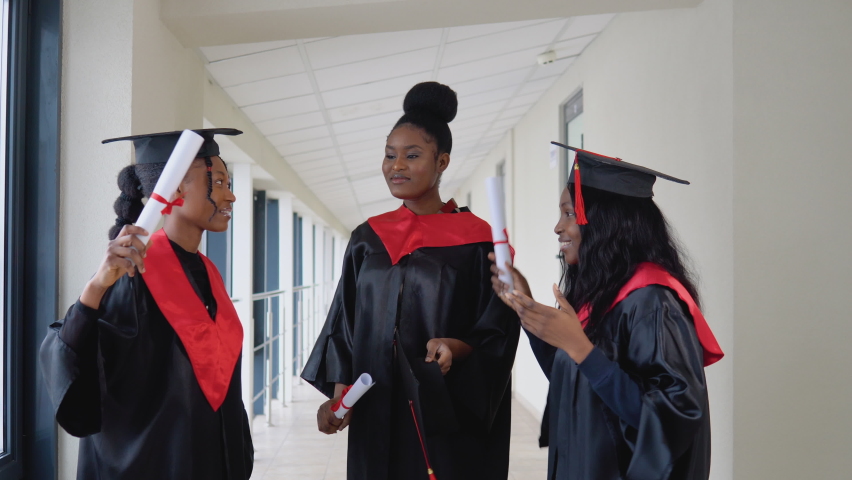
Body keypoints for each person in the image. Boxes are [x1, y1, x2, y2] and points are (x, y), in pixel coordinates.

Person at [301, 82, 520, 480]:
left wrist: (458, 346)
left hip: (446, 414)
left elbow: (499, 327)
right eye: (389, 155)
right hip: (374, 410)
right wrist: (340, 400)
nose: (396, 166)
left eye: (412, 155)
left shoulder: (477, 239)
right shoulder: (368, 238)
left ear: (442, 162)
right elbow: (344, 325)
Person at [492, 143, 724, 480]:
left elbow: (675, 417)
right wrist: (529, 313)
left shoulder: (651, 301)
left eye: (569, 213)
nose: (558, 227)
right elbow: (573, 382)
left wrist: (582, 349)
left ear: (606, 221)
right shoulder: (599, 296)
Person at [39, 128, 254, 480]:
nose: (230, 196)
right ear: (176, 190)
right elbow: (84, 369)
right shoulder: (134, 273)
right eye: (218, 182)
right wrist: (96, 287)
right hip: (156, 462)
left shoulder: (207, 271)